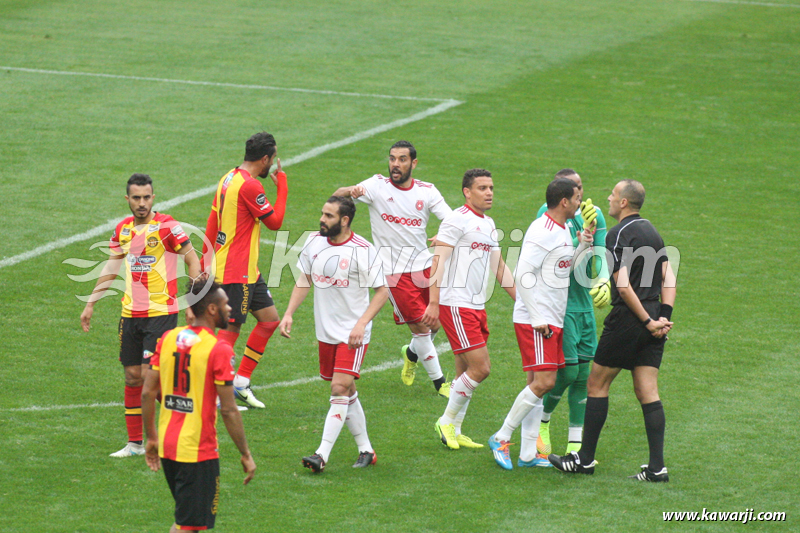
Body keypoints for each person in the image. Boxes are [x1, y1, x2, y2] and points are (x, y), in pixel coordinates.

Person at [549, 179, 676, 482]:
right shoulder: (653, 232)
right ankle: (657, 468)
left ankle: (584, 460)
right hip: (655, 314)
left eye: (613, 194)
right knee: (647, 390)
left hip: (631, 318)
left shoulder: (619, 234)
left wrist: (646, 320)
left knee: (596, 384)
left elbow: (621, 283)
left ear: (623, 203)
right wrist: (663, 318)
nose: (608, 197)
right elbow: (668, 275)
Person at [80, 173, 201, 458]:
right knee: (133, 376)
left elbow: (192, 257)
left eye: (147, 197)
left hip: (161, 313)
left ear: (153, 197)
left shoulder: (167, 226)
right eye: (136, 198)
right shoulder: (122, 229)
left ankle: (183, 429)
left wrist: (193, 300)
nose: (142, 203)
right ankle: (135, 444)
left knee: (150, 377)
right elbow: (111, 266)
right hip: (130, 314)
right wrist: (91, 303)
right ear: (128, 200)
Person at [488, 178, 593, 469]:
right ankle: (501, 436)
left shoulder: (560, 230)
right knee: (545, 381)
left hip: (551, 319)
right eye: (576, 198)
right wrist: (536, 317)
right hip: (538, 320)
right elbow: (522, 273)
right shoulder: (542, 230)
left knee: (538, 385)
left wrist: (583, 244)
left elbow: (561, 269)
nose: (579, 202)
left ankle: (527, 455)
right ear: (564, 202)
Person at [333, 141, 452, 397]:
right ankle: (441, 383)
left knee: (435, 325)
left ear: (413, 163)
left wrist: (443, 236)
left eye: (401, 159)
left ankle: (410, 353)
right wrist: (350, 190)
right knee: (421, 328)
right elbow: (338, 196)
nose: (395, 164)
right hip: (394, 273)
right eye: (392, 159)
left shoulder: (427, 191)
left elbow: (451, 219)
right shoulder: (376, 186)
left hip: (425, 267)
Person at [278, 196, 389, 473]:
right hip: (325, 330)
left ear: (345, 220)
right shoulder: (314, 242)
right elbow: (305, 278)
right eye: (322, 213)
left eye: (329, 216)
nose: (322, 219)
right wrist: (290, 312)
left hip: (353, 333)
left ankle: (321, 454)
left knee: (338, 387)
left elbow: (383, 290)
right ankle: (366, 450)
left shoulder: (363, 250)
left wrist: (362, 324)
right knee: (347, 390)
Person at [142, 277, 256, 532]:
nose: (230, 308)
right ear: (212, 309)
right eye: (225, 304)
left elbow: (148, 392)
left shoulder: (168, 338)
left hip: (168, 446)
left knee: (188, 522)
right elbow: (227, 409)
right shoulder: (218, 349)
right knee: (192, 526)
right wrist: (246, 454)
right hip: (197, 451)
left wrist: (151, 438)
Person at [422, 169, 516, 450]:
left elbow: (498, 266)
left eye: (491, 187)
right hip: (456, 304)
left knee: (464, 369)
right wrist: (434, 303)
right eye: (482, 188)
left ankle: (456, 429)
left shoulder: (488, 223)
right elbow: (437, 262)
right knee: (481, 368)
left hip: (476, 305)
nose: (489, 192)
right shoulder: (455, 220)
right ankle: (446, 421)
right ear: (467, 192)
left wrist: (523, 300)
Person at [202, 132, 288, 409]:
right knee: (229, 333)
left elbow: (212, 220)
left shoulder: (228, 177)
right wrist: (282, 187)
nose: (272, 166)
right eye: (272, 160)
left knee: (270, 320)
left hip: (247, 271)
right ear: (265, 159)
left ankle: (240, 383)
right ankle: (215, 395)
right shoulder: (251, 187)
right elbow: (275, 222)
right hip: (234, 273)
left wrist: (206, 260)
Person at [534, 169, 610, 462]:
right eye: (573, 190)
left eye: (581, 187)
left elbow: (600, 254)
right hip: (560, 305)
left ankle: (575, 444)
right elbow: (558, 260)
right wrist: (582, 239)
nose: (580, 195)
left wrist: (603, 279)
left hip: (583, 305)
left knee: (583, 376)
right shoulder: (548, 214)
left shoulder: (595, 214)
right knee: (567, 371)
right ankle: (543, 421)